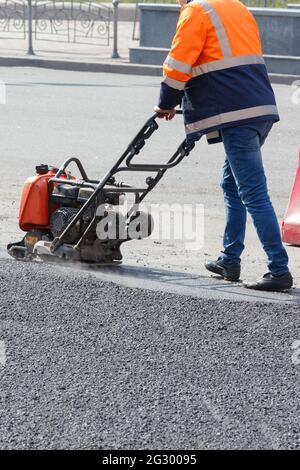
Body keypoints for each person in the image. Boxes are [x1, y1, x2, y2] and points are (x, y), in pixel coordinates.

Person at [154, 0, 293, 292]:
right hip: (260, 107)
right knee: (231, 184)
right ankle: (229, 259)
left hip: (236, 114)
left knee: (253, 192)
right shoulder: (236, 7)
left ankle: (278, 269)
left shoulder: (196, 12)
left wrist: (166, 102)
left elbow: (179, 63)